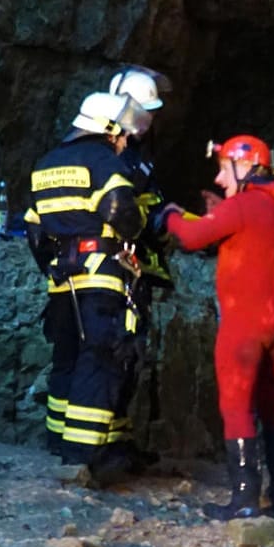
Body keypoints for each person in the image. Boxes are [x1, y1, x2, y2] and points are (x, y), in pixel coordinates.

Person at [160, 135, 274, 519]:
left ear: (246, 168)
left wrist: (169, 215)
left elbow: (191, 237)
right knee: (272, 402)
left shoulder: (243, 206)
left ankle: (243, 500)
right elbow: (247, 236)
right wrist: (221, 212)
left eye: (225, 170)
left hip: (246, 320)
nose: (221, 180)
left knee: (236, 405)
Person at [24, 92, 155, 478]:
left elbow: (34, 230)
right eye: (122, 133)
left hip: (63, 281)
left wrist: (53, 265)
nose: (125, 141)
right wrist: (143, 221)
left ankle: (59, 443)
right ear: (109, 128)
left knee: (66, 357)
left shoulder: (46, 163)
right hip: (101, 275)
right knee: (101, 358)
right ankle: (82, 455)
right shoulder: (101, 159)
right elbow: (119, 210)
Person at [101, 65, 174, 469]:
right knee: (115, 356)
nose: (149, 119)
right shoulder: (109, 153)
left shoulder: (136, 156)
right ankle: (102, 449)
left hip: (134, 271)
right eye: (144, 110)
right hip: (114, 269)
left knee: (130, 360)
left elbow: (148, 204)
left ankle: (120, 443)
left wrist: (165, 219)